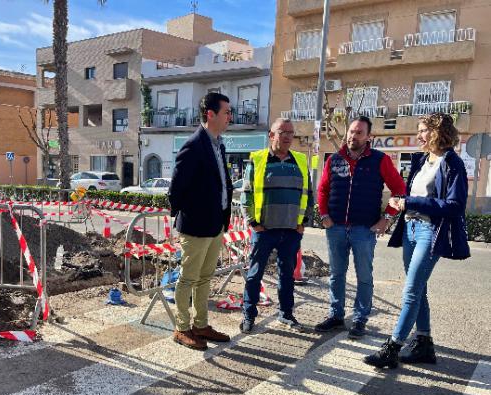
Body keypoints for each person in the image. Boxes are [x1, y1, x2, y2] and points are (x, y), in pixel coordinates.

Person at [364, 113, 470, 369]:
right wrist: (401, 203)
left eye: (423, 130)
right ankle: (423, 343)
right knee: (418, 288)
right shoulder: (423, 160)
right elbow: (413, 194)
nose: (419, 135)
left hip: (429, 231)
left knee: (411, 290)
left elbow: (454, 205)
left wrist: (409, 202)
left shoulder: (452, 163)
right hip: (411, 228)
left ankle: (393, 346)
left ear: (437, 133)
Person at [315, 116, 406, 338]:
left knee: (364, 276)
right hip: (335, 227)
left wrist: (387, 218)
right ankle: (336, 316)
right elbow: (323, 189)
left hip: (364, 230)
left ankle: (359, 319)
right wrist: (324, 214)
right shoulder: (334, 160)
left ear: (368, 137)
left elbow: (400, 190)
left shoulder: (380, 160)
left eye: (359, 133)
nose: (353, 136)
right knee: (336, 274)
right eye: (351, 131)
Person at [168, 92, 234, 350]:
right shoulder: (193, 145)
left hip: (216, 224)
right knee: (188, 278)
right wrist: (191, 215)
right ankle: (181, 328)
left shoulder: (219, 144)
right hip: (196, 227)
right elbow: (177, 189)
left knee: (205, 277)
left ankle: (201, 324)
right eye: (226, 112)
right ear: (211, 114)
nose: (230, 116)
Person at [239, 118, 313, 333]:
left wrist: (304, 223)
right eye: (283, 132)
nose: (288, 136)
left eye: (291, 132)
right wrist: (253, 222)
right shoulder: (258, 159)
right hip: (265, 231)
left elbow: (309, 194)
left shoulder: (299, 160)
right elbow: (247, 194)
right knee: (255, 274)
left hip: (291, 231)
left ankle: (286, 314)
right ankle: (249, 314)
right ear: (271, 135)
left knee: (287, 275)